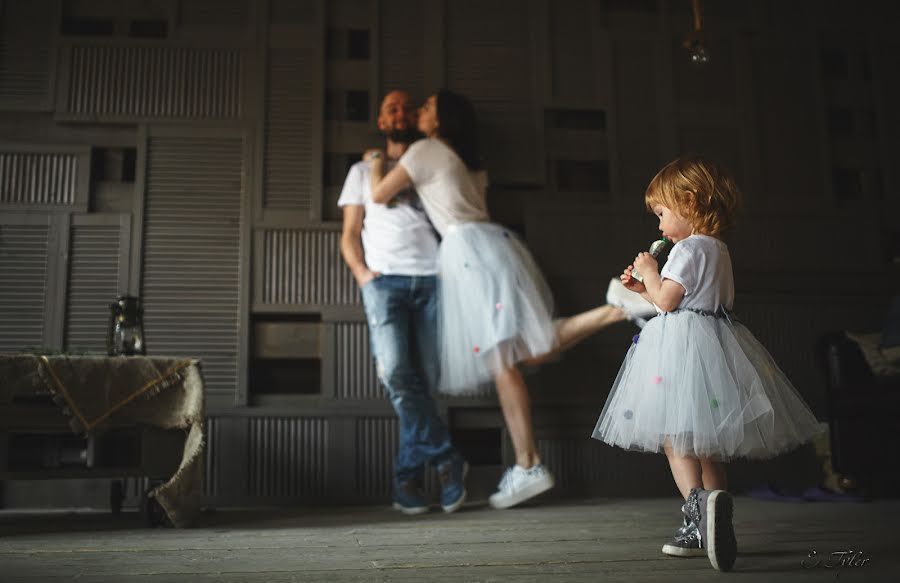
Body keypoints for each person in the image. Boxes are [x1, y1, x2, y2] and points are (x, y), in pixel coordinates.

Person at [366, 89, 628, 509]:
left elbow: (378, 194)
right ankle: (615, 308)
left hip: (466, 252)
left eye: (428, 107)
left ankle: (529, 463)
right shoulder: (469, 160)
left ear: (441, 120)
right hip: (491, 244)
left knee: (505, 358)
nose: (420, 111)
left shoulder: (424, 149)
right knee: (525, 351)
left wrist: (374, 161)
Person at [592, 155, 822, 571]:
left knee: (675, 439)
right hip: (712, 340)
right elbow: (680, 302)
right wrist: (642, 289)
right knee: (708, 448)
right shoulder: (717, 250)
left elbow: (666, 302)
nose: (660, 225)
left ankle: (696, 512)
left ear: (690, 201)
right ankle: (717, 517)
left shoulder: (685, 249)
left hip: (680, 349)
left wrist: (648, 271)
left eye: (662, 213)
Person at [338, 90, 467, 515]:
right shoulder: (361, 170)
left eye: (408, 107)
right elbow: (350, 232)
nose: (401, 113)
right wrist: (362, 275)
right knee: (396, 374)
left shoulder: (430, 160)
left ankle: (407, 482)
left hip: (433, 280)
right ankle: (448, 462)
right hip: (384, 283)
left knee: (424, 381)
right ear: (381, 120)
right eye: (391, 108)